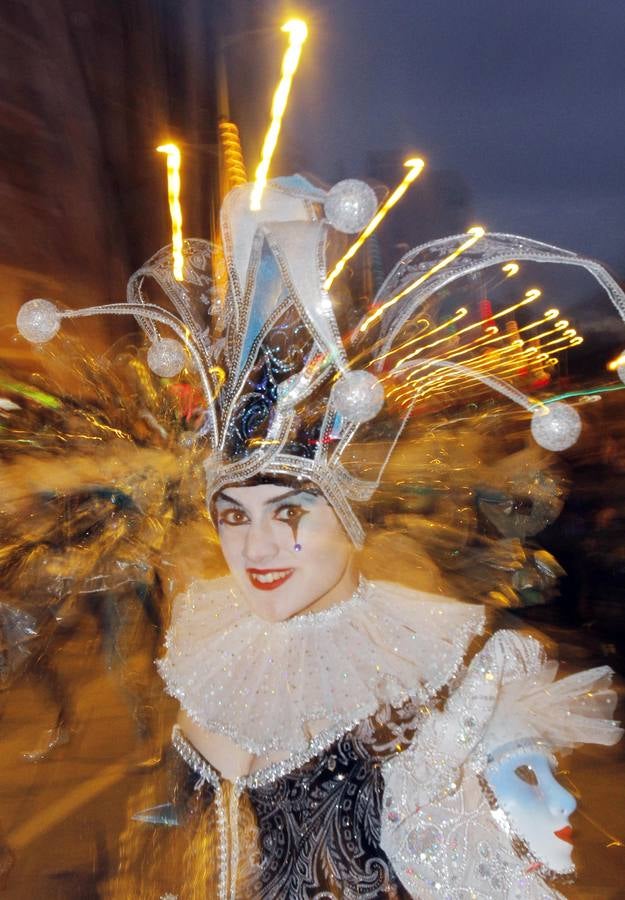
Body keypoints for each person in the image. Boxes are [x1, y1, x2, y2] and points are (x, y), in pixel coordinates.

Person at [13, 176, 624, 898]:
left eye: (291, 512)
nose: (256, 548)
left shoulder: (446, 677)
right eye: (233, 515)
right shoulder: (215, 651)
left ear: (349, 517)